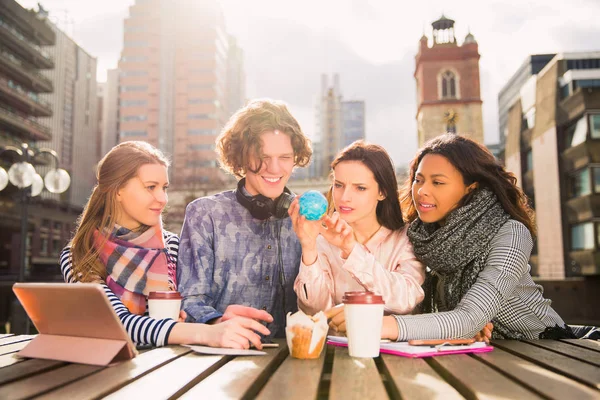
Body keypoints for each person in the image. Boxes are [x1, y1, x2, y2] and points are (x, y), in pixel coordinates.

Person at [329, 134, 572, 340]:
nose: (422, 191)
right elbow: (445, 317)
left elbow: (468, 317)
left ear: (471, 187)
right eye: (418, 180)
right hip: (476, 353)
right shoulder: (422, 235)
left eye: (438, 182)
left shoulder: (511, 233)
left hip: (545, 346)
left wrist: (371, 324)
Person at [60, 141, 270, 349]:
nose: (162, 198)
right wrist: (205, 332)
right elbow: (114, 323)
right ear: (117, 191)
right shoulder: (79, 254)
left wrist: (216, 320)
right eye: (150, 187)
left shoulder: (173, 246)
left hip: (168, 370)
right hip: (107, 375)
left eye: (164, 188)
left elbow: (189, 309)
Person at [177, 99, 312, 338]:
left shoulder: (307, 219)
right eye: (262, 156)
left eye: (284, 157)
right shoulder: (205, 214)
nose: (274, 168)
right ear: (240, 157)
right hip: (220, 358)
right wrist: (217, 323)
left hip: (294, 360)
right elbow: (188, 301)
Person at [290, 141, 425, 316]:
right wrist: (309, 247)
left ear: (382, 192)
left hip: (390, 343)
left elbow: (405, 299)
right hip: (337, 344)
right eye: (339, 185)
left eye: (360, 188)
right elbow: (315, 312)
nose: (345, 197)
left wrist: (352, 250)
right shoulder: (323, 240)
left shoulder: (406, 238)